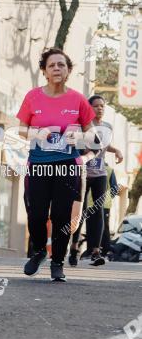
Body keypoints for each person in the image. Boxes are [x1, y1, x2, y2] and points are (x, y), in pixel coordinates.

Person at [17, 47, 97, 282]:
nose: (57, 69)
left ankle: (58, 262)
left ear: (69, 70)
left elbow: (92, 134)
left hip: (67, 165)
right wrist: (37, 133)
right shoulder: (33, 97)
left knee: (62, 216)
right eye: (52, 65)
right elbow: (21, 129)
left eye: (61, 65)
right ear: (44, 71)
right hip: (39, 164)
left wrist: (80, 138)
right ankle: (40, 250)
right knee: (36, 214)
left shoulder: (78, 99)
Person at [69, 94, 123, 267]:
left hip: (100, 173)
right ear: (89, 108)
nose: (100, 108)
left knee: (97, 210)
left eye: (102, 106)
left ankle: (95, 251)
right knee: (80, 211)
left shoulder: (107, 126)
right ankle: (74, 248)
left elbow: (104, 146)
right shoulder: (81, 125)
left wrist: (117, 151)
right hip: (82, 173)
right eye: (96, 106)